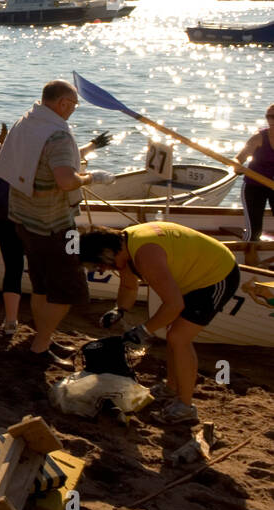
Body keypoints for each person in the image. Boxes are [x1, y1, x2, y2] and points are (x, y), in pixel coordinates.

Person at [0, 80, 114, 368]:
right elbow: (65, 180)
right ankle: (40, 344)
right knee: (69, 288)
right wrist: (93, 177)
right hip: (56, 224)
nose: (73, 110)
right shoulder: (57, 135)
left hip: (24, 218)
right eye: (72, 105)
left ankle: (43, 335)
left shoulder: (26, 120)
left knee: (41, 285)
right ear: (62, 103)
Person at [80, 223, 239, 425]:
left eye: (100, 265)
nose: (102, 270)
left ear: (107, 252)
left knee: (179, 338)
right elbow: (129, 285)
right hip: (193, 274)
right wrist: (119, 310)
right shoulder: (125, 245)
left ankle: (185, 407)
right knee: (173, 333)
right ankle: (170, 388)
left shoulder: (144, 255)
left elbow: (173, 305)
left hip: (217, 275)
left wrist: (143, 331)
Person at [0, 127, 111, 335]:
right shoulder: (43, 156)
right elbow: (69, 164)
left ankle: (11, 322)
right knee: (39, 271)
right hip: (29, 222)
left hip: (4, 220)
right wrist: (93, 151)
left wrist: (93, 144)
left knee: (13, 268)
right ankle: (45, 329)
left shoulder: (8, 154)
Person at [235, 104, 274, 241]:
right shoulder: (258, 138)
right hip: (254, 186)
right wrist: (237, 167)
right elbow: (239, 159)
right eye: (268, 117)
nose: (271, 121)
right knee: (254, 231)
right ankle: (249, 258)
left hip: (273, 186)